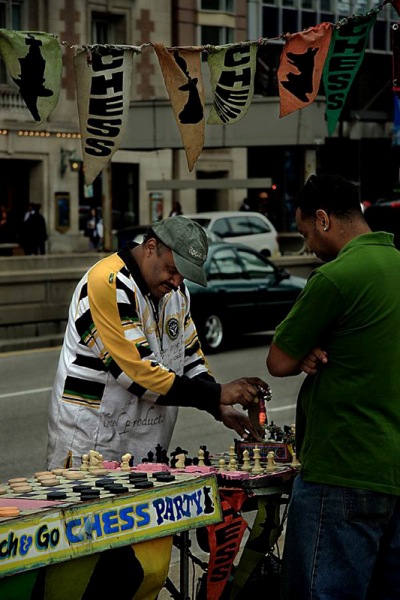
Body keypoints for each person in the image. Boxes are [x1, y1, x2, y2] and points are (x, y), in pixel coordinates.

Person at [266, 174, 400, 599]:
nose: (308, 245)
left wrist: (310, 345)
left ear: (323, 219)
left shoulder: (335, 278)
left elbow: (279, 360)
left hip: (342, 469)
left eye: (306, 232)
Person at [47, 215, 267, 470]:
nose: (176, 282)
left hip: (145, 445)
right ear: (150, 247)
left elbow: (190, 358)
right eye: (172, 270)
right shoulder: (107, 282)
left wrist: (219, 406)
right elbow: (138, 374)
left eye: (183, 276)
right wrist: (219, 392)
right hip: (90, 443)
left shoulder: (177, 293)